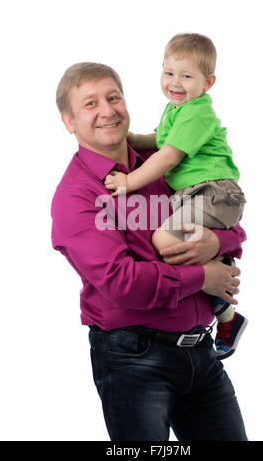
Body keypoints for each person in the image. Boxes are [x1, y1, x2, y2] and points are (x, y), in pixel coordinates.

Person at [51, 61, 247, 441]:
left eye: (113, 97)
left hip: (202, 354)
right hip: (133, 361)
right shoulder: (76, 197)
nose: (107, 110)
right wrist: (205, 275)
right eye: (90, 104)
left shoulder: (165, 168)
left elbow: (229, 219)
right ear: (69, 121)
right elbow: (123, 283)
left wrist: (216, 243)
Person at [104, 33, 247, 360]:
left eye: (186, 76)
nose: (175, 82)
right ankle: (227, 311)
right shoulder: (175, 110)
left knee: (166, 241)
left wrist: (128, 181)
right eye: (169, 73)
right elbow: (159, 139)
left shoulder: (197, 112)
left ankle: (221, 277)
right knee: (177, 243)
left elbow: (168, 156)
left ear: (208, 82)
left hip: (215, 191)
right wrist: (132, 139)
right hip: (194, 194)